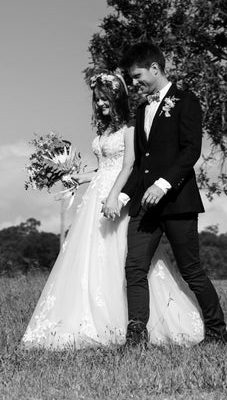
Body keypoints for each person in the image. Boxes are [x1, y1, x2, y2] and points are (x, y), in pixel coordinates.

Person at [21, 71, 204, 350]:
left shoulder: (131, 126)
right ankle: (90, 320)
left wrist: (115, 196)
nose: (100, 105)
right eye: (96, 101)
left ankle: (134, 324)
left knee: (125, 261)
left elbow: (128, 165)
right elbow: (102, 169)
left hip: (116, 197)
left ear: (117, 97)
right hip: (96, 196)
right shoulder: (104, 131)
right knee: (90, 260)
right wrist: (74, 177)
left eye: (104, 100)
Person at [118, 42, 227, 346]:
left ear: (155, 68)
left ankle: (218, 334)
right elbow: (141, 162)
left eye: (138, 75)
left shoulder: (186, 100)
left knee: (191, 269)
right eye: (131, 78)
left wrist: (163, 184)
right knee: (134, 267)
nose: (135, 82)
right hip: (144, 206)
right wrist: (125, 196)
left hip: (178, 201)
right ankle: (136, 335)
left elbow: (191, 149)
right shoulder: (141, 109)